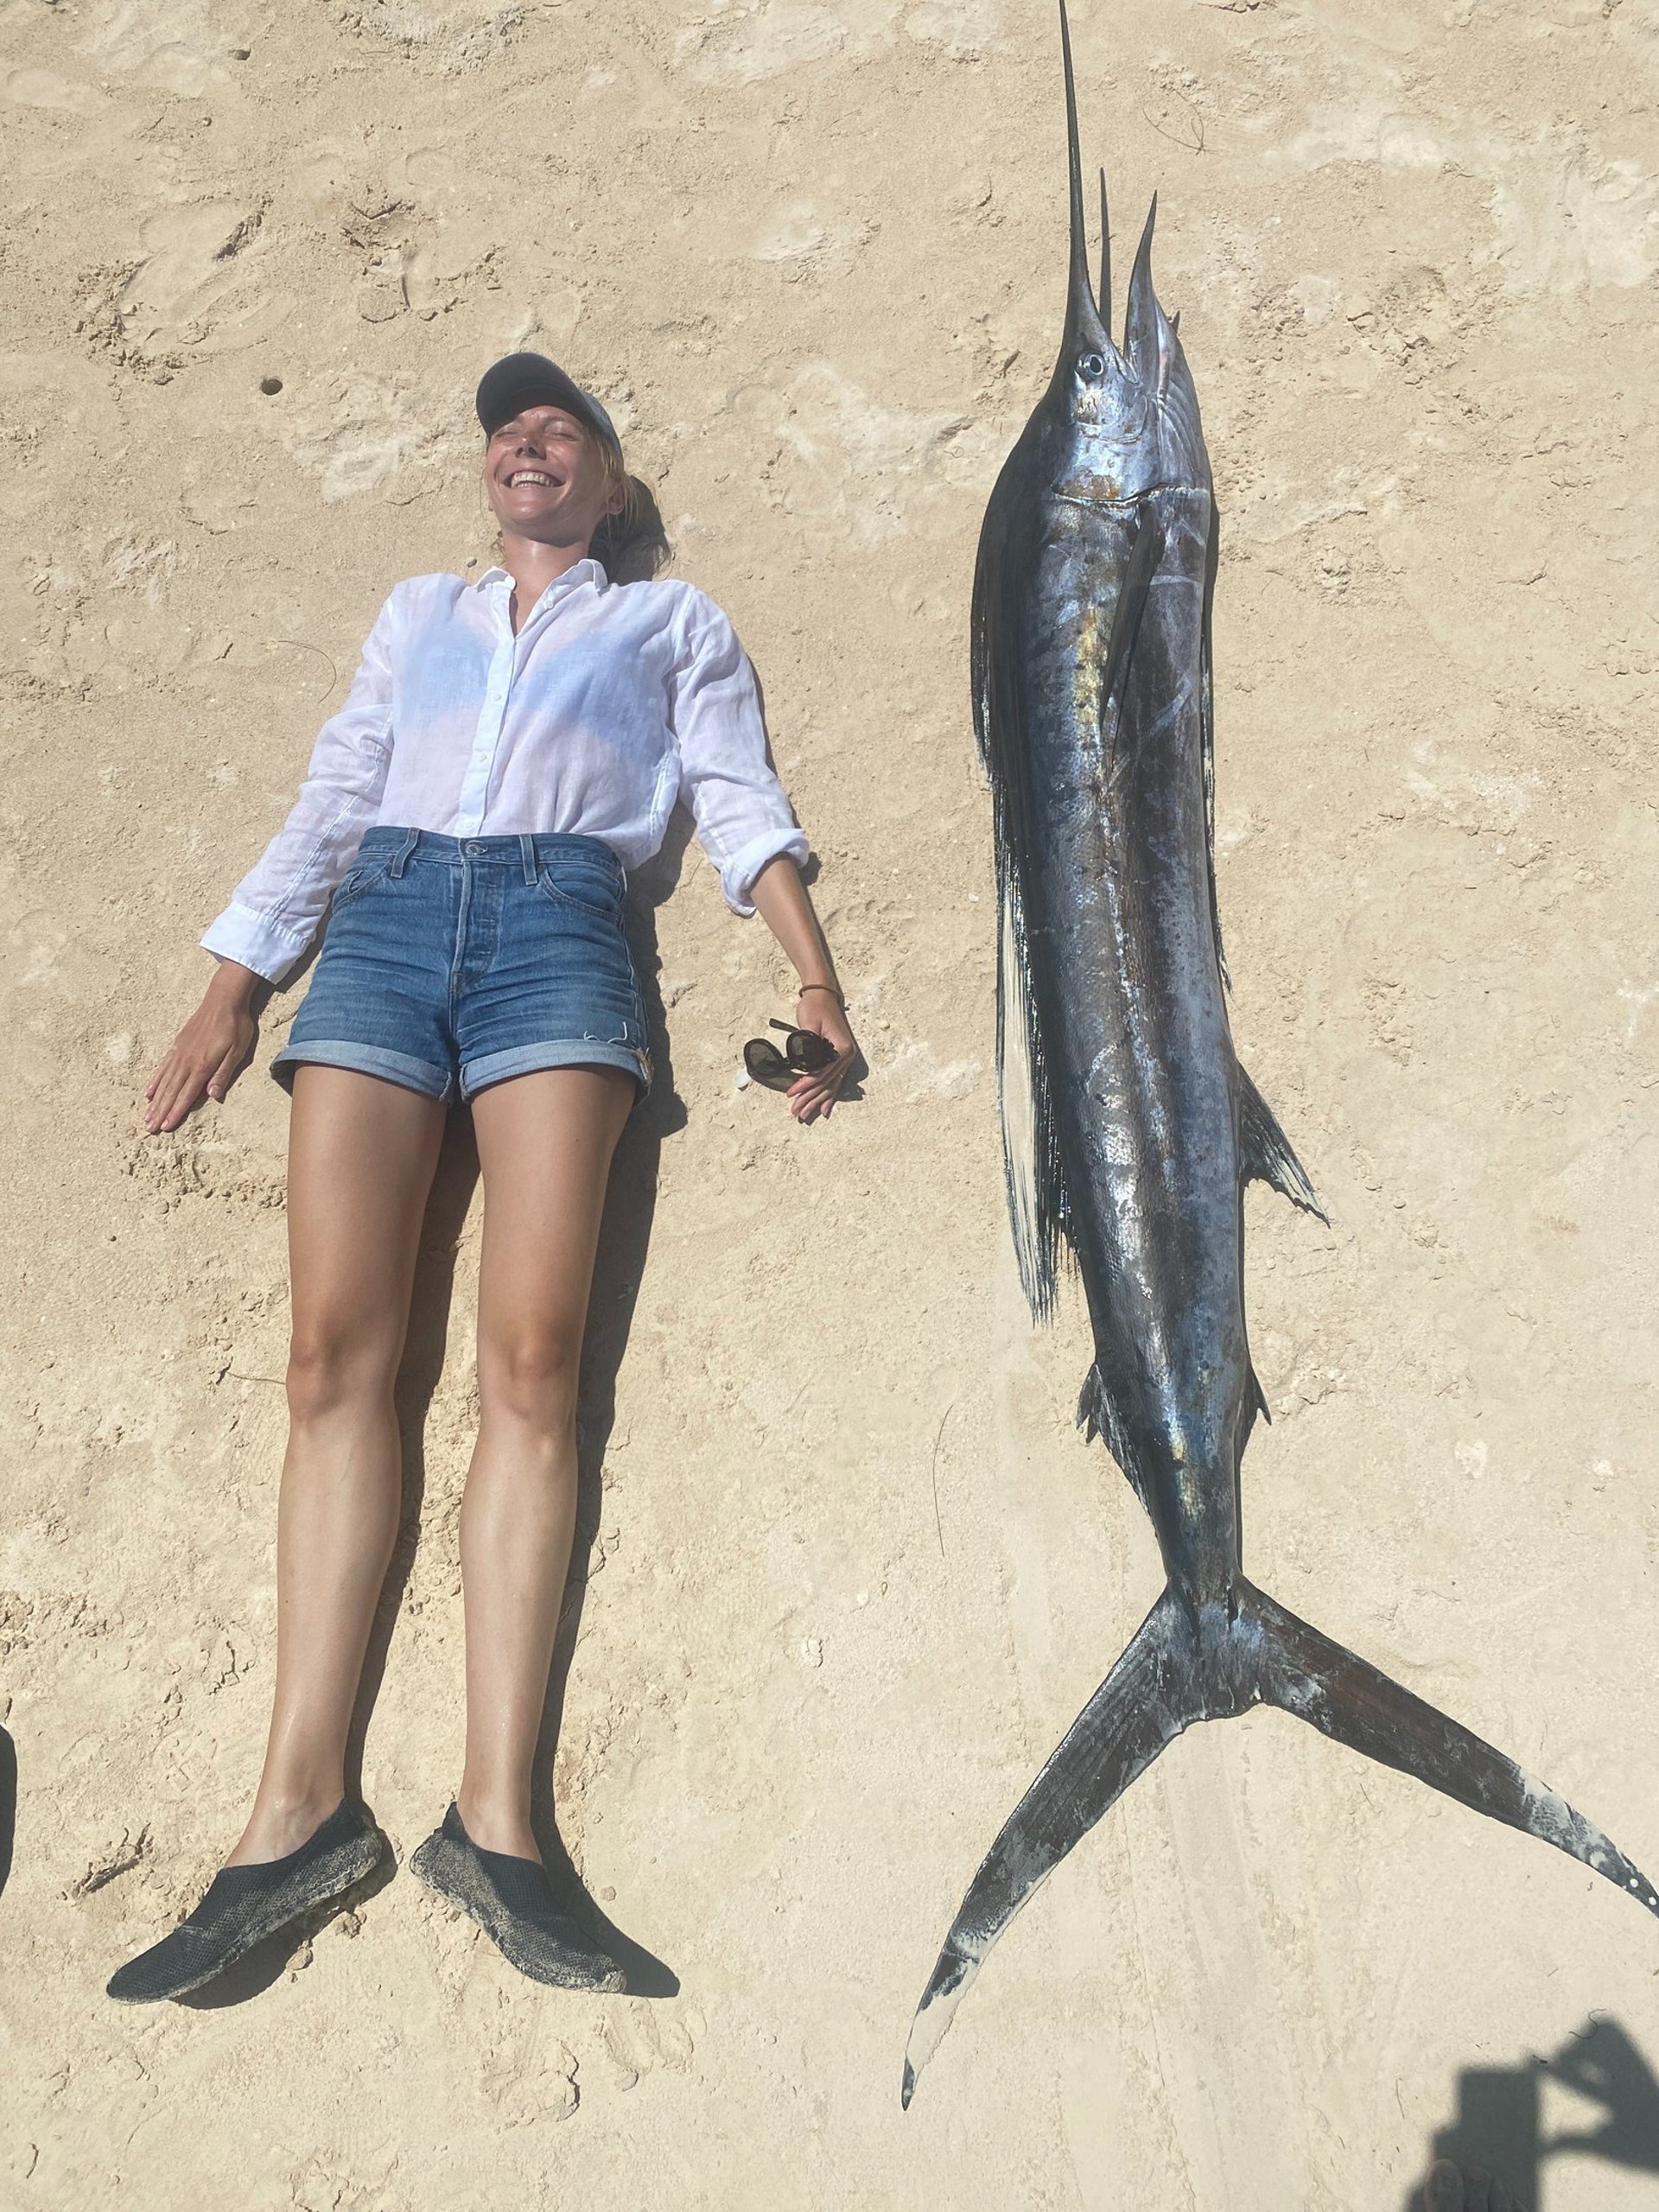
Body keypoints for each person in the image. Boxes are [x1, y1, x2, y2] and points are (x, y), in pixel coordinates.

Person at [108, 353, 855, 2003]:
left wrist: (814, 982)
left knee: (533, 1368)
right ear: (489, 477)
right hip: (380, 927)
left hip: (560, 937)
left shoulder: (670, 625)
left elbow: (737, 802)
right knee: (332, 1362)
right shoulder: (415, 616)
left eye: (560, 425)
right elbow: (333, 789)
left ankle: (498, 1823)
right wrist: (237, 980)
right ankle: (293, 1815)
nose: (525, 438)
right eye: (505, 428)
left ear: (606, 481)